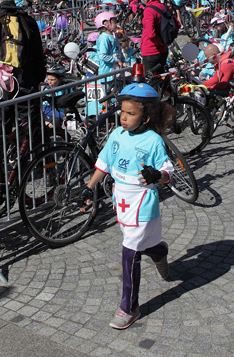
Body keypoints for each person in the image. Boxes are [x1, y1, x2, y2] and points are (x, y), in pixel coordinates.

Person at [82, 82, 173, 330]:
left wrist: (158, 175)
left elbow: (168, 171)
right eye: (122, 111)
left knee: (129, 251)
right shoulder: (117, 135)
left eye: (131, 113)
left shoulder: (153, 140)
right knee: (143, 245)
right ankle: (159, 252)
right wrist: (88, 187)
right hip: (121, 200)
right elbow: (104, 163)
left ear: (147, 116)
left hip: (142, 203)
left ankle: (129, 307)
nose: (123, 117)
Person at [137, 0, 171, 76]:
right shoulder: (163, 7)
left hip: (151, 51)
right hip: (163, 50)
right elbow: (177, 24)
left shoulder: (149, 10)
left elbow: (150, 34)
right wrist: (165, 42)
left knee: (150, 83)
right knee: (163, 80)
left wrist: (159, 42)